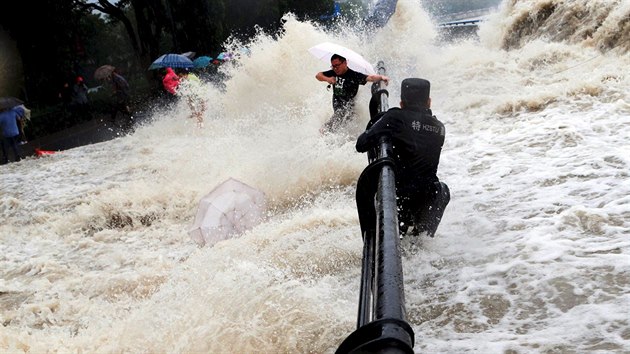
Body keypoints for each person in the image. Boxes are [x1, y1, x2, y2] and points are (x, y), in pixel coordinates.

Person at [355, 78, 450, 237]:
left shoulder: (395, 117)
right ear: (428, 102)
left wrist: (383, 122)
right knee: (443, 189)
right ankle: (423, 239)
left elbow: (361, 144)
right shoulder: (440, 127)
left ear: (401, 102)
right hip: (425, 200)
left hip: (398, 198)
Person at [315, 53, 389, 133]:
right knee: (331, 126)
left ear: (345, 63)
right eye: (333, 66)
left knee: (334, 126)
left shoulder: (353, 75)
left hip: (348, 107)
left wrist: (381, 77)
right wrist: (327, 79)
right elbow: (318, 75)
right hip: (337, 104)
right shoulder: (333, 72)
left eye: (337, 65)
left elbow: (370, 77)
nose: (335, 68)